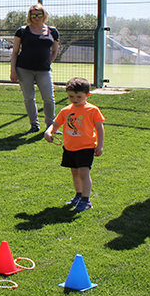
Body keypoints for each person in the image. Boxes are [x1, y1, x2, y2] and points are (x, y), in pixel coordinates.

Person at [44, 78, 105, 212]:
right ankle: (78, 195)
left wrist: (99, 145)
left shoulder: (92, 110)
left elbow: (100, 128)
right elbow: (55, 124)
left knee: (83, 172)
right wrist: (48, 132)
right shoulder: (66, 111)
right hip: (70, 147)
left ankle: (86, 200)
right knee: (75, 172)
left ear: (87, 95)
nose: (75, 99)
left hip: (86, 147)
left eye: (79, 96)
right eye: (71, 96)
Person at [10, 4, 59, 134]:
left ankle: (50, 125)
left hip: (44, 70)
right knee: (29, 97)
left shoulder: (52, 31)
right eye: (34, 15)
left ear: (44, 15)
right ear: (30, 16)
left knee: (49, 97)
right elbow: (15, 52)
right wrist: (13, 71)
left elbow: (54, 50)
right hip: (24, 69)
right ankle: (34, 125)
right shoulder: (22, 31)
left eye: (39, 15)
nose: (37, 17)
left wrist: (48, 62)